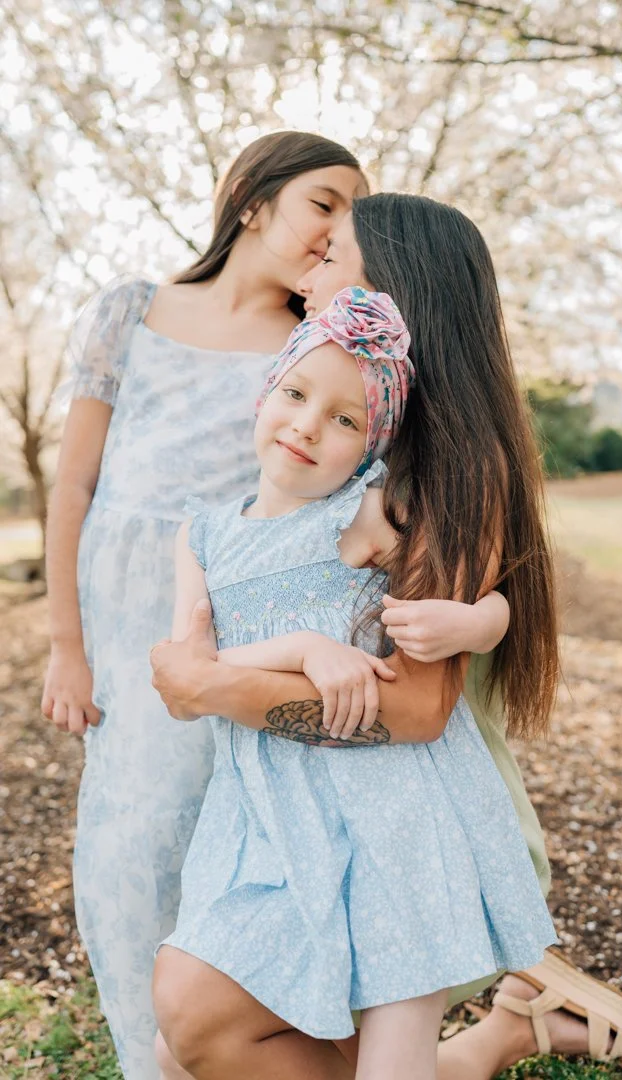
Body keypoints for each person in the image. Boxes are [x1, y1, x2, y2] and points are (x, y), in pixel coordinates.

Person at [151, 194, 622, 1079]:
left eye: (331, 257)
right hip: (286, 806)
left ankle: (503, 1023)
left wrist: (215, 683)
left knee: (213, 1028)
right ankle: (508, 1030)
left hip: (403, 809)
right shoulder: (301, 468)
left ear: (397, 288)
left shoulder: (430, 476)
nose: (308, 277)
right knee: (188, 1039)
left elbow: (423, 702)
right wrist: (227, 666)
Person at [41, 130, 368, 1080]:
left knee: (229, 833)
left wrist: (343, 315)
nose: (336, 228)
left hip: (235, 619)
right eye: (325, 201)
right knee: (131, 836)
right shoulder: (133, 312)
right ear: (255, 199)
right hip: (122, 616)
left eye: (352, 216)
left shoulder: (314, 344)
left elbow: (335, 479)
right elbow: (74, 489)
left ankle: (230, 1039)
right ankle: (151, 1060)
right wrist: (67, 644)